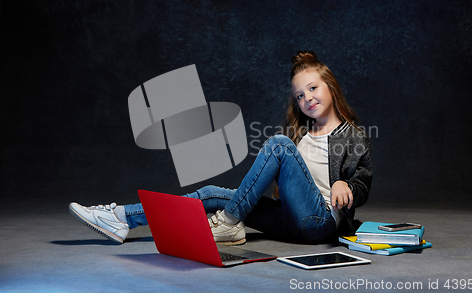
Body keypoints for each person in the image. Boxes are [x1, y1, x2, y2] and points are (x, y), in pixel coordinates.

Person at [69, 51, 372, 245]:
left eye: (313, 88)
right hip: (287, 220)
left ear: (330, 86)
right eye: (299, 95)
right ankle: (122, 218)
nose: (306, 98)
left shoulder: (353, 135)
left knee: (278, 146)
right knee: (212, 193)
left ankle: (229, 222)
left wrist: (346, 183)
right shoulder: (301, 135)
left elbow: (362, 182)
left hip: (319, 224)